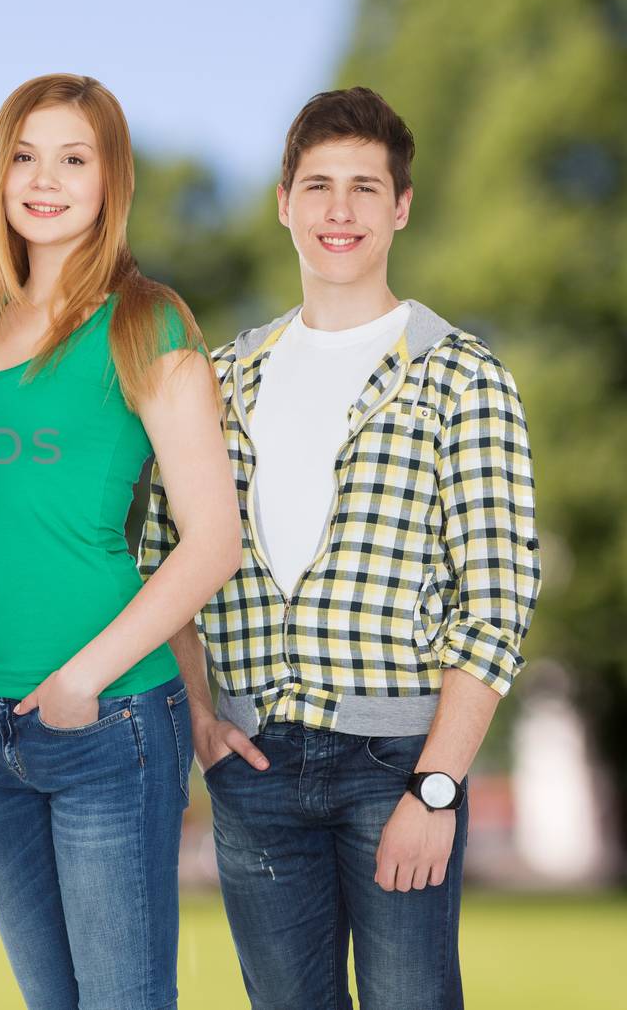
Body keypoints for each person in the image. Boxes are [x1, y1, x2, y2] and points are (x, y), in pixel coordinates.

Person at [144, 87, 541, 1009]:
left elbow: (496, 600)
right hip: (254, 767)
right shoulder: (225, 378)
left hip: (395, 767)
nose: (339, 210)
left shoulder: (460, 377)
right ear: (284, 202)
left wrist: (436, 789)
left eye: (365, 188)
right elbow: (167, 565)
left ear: (400, 207)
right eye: (317, 186)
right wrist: (203, 717)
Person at [0, 74, 241, 1010]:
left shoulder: (146, 322)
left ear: (112, 181)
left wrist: (80, 682)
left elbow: (213, 542)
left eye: (75, 159)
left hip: (108, 721)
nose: (46, 179)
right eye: (25, 157)